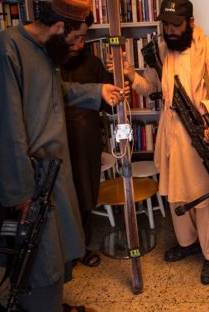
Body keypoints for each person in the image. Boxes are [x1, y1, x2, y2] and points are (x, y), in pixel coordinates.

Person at [0, 0, 122, 311]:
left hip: (54, 175)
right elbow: (2, 125)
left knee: (55, 251)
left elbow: (54, 92)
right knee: (36, 256)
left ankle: (53, 305)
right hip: (29, 182)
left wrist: (97, 90)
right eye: (77, 38)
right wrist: (19, 191)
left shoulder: (47, 51)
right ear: (59, 26)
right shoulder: (7, 48)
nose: (77, 46)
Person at [121, 0, 209, 285]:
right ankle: (188, 243)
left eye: (175, 25)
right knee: (176, 195)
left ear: (190, 22)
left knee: (205, 197)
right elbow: (150, 88)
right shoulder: (161, 50)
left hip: (200, 133)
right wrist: (131, 75)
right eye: (165, 24)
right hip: (170, 135)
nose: (169, 30)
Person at [61, 28, 114, 269]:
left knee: (85, 194)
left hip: (87, 139)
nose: (78, 46)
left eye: (82, 39)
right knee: (62, 197)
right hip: (58, 141)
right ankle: (62, 251)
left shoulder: (93, 62)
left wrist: (116, 77)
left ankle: (82, 247)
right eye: (74, 39)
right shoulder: (49, 63)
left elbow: (110, 102)